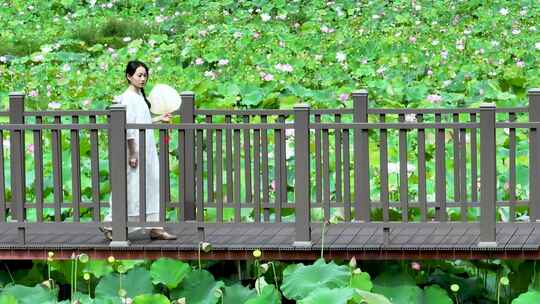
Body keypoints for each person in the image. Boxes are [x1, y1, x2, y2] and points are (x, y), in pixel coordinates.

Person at [100, 60, 176, 241]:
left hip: (147, 148)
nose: (143, 79)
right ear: (129, 76)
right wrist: (132, 153)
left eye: (145, 75)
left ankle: (155, 226)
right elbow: (129, 128)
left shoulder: (140, 97)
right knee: (131, 187)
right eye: (139, 75)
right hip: (134, 149)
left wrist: (159, 119)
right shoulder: (125, 99)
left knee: (151, 183)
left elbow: (142, 121)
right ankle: (111, 223)